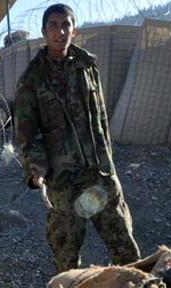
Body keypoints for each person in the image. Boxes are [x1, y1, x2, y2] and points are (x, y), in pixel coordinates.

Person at [14, 3, 140, 273]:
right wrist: (37, 169)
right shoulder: (33, 79)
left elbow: (101, 118)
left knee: (125, 247)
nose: (60, 31)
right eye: (53, 26)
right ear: (44, 32)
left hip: (98, 174)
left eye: (65, 25)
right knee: (67, 254)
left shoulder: (87, 66)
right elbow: (26, 131)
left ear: (75, 30)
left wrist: (109, 162)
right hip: (64, 179)